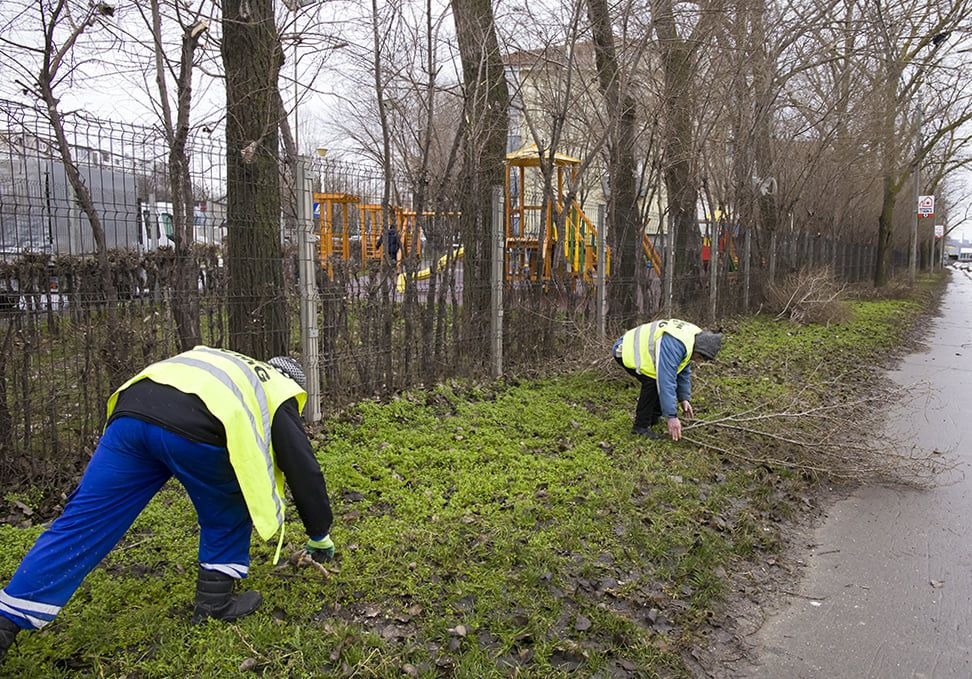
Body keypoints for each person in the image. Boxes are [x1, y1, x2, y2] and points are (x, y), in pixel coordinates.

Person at [0, 346, 334, 663]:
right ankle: (214, 604)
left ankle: (7, 617)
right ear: (294, 384)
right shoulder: (278, 389)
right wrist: (319, 533)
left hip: (131, 413)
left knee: (84, 521)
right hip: (197, 428)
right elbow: (303, 467)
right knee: (228, 507)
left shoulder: (229, 363)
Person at [613, 319, 722, 441]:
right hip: (625, 349)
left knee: (655, 380)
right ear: (699, 350)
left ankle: (653, 418)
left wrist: (684, 398)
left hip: (639, 350)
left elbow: (682, 370)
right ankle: (640, 427)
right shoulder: (675, 344)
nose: (698, 362)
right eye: (700, 358)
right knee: (652, 382)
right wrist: (672, 416)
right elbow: (666, 380)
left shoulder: (693, 339)